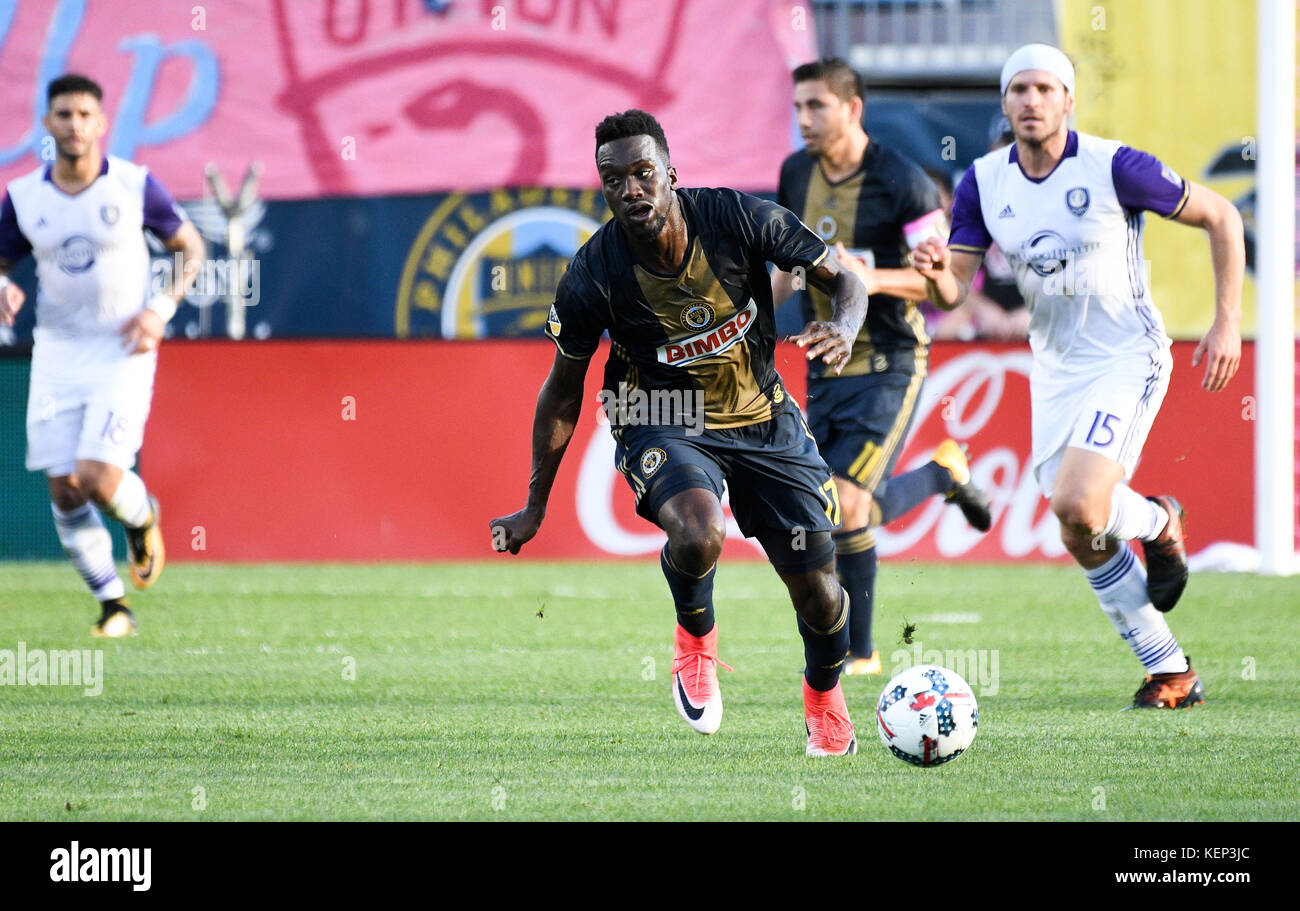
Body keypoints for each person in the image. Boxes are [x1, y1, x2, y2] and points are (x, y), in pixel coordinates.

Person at [490, 109, 869, 755]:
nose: (631, 189)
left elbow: (845, 279)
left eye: (643, 173)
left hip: (763, 417)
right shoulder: (594, 273)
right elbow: (561, 388)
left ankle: (823, 696)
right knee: (698, 531)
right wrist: (534, 503)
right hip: (659, 416)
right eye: (614, 181)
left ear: (670, 172)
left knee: (822, 594)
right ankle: (695, 638)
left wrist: (847, 324)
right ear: (603, 188)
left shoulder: (739, 218)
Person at [913, 44, 1243, 708]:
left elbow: (1221, 215)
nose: (1032, 101)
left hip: (1127, 355)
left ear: (1067, 100)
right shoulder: (983, 181)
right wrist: (932, 271)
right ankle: (1170, 667)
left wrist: (1227, 320)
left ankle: (1157, 520)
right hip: (1056, 368)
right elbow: (954, 287)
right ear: (1004, 104)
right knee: (1077, 528)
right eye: (1019, 91)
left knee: (1079, 503)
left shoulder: (1114, 165)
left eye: (1045, 89)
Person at [772, 58, 992, 677]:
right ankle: (942, 475)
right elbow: (789, 266)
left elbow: (942, 284)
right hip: (826, 359)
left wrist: (870, 279)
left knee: (845, 499)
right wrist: (755, 323)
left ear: (853, 108)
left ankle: (860, 652)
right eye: (797, 108)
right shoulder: (795, 174)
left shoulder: (904, 181)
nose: (804, 120)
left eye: (816, 106)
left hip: (891, 360)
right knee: (833, 504)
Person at [0, 74, 205, 637]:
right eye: (63, 115)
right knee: (63, 487)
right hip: (57, 355)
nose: (74, 125)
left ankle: (143, 518)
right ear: (47, 124)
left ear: (101, 122)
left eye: (84, 115)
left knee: (96, 477)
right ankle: (114, 605)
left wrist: (159, 310)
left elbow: (191, 247)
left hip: (123, 351)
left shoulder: (135, 187)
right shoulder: (24, 199)